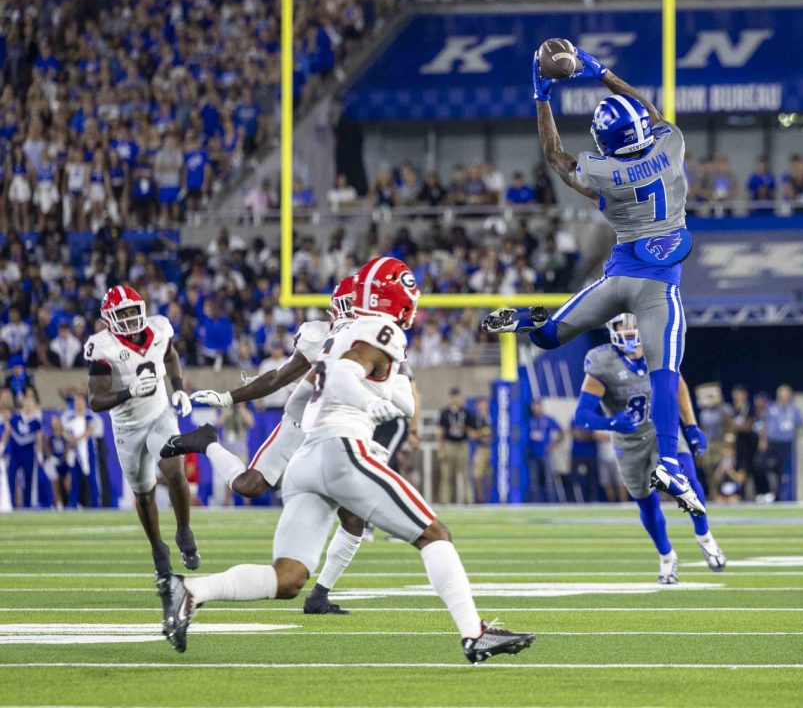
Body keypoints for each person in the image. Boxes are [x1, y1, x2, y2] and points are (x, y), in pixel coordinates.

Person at [159, 257, 536, 663]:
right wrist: (372, 408)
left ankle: (193, 591)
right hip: (342, 448)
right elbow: (343, 378)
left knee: (289, 577)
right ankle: (474, 634)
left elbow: (395, 401)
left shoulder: (339, 333)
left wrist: (383, 398)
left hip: (306, 461)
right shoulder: (379, 327)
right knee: (434, 534)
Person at [484, 43, 702, 516]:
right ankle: (668, 460)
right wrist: (599, 70)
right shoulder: (672, 144)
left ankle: (530, 318)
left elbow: (555, 155)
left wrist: (542, 93)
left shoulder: (603, 170)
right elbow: (648, 110)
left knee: (546, 338)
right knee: (665, 373)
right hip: (657, 286)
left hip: (618, 276)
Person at [171, 276, 368, 614]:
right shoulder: (320, 334)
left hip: (336, 431)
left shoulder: (375, 337)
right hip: (301, 422)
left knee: (354, 517)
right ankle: (207, 443)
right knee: (249, 486)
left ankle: (319, 595)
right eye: (350, 303)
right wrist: (228, 397)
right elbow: (279, 377)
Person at [574, 314, 726, 582]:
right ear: (613, 328)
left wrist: (690, 426)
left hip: (662, 430)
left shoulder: (660, 350)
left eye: (635, 324)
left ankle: (705, 536)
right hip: (629, 443)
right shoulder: (603, 362)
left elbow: (678, 386)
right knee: (646, 503)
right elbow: (582, 415)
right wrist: (611, 422)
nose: (630, 330)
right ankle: (667, 557)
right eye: (624, 324)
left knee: (685, 477)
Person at [84, 285, 209, 582]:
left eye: (131, 311)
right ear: (108, 320)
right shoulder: (103, 348)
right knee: (143, 494)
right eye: (121, 314)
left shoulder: (159, 327)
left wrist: (178, 389)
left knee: (176, 472)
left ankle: (184, 531)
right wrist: (128, 392)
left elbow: (170, 355)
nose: (129, 319)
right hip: (127, 428)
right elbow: (95, 401)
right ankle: (158, 550)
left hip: (159, 415)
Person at [758, 385, 803, 502]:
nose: (783, 396)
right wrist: (762, 440)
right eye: (781, 394)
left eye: (786, 394)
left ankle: (781, 498)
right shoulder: (771, 408)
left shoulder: (794, 409)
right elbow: (765, 424)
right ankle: (766, 490)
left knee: (785, 473)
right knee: (758, 463)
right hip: (772, 443)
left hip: (787, 444)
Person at [2, 390, 43, 508]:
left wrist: (39, 453)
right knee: (11, 478)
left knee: (28, 479)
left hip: (28, 454)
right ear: (23, 404)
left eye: (31, 405)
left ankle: (27, 504)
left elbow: (38, 438)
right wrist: (2, 446)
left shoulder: (36, 422)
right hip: (15, 453)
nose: (29, 407)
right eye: (27, 404)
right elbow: (7, 431)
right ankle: (11, 503)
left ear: (34, 407)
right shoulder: (15, 418)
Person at [437, 388, 472, 504]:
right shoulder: (445, 412)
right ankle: (445, 501)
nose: (455, 399)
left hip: (462, 445)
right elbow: (440, 431)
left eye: (457, 396)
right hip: (449, 444)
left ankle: (468, 500)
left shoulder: (466, 412)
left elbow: (472, 431)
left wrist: (463, 428)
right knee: (446, 475)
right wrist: (441, 448)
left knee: (465, 474)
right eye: (453, 397)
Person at [526, 400, 563, 502]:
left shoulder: (548, 420)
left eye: (538, 406)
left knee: (549, 480)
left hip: (545, 454)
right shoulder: (529, 420)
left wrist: (554, 445)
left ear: (541, 407)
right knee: (534, 481)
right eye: (534, 406)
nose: (536, 408)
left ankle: (551, 503)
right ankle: (535, 503)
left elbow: (561, 432)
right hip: (533, 454)